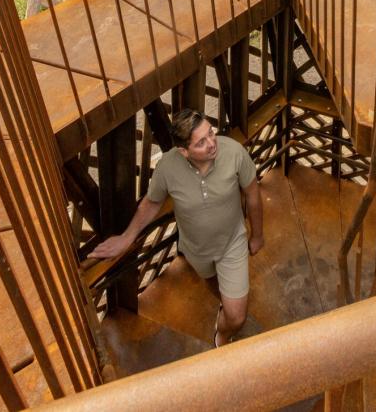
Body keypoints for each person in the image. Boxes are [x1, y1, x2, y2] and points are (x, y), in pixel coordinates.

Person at [90, 109, 264, 348]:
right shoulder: (168, 167)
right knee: (216, 286)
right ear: (184, 152)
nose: (212, 143)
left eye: (211, 133)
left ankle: (222, 336)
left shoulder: (234, 153)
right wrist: (126, 238)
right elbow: (152, 203)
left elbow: (253, 194)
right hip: (196, 250)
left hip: (232, 245)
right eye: (201, 142)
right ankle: (225, 301)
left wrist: (257, 235)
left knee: (236, 316)